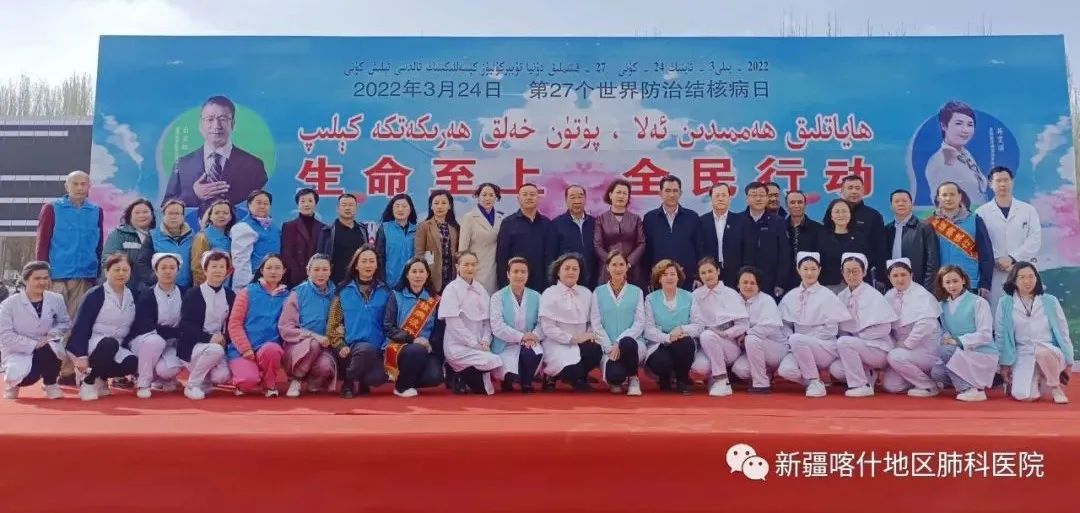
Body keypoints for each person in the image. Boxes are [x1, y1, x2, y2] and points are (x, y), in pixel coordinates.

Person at [163, 95, 268, 208]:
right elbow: (166, 206)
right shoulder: (182, 164)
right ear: (201, 124)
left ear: (233, 123)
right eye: (210, 119)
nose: (216, 125)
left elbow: (263, 206)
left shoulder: (253, 165)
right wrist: (194, 195)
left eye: (223, 119)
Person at [776, 252, 852, 398]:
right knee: (785, 370)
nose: (809, 273)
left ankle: (814, 381)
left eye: (813, 269)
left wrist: (803, 339)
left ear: (819, 270)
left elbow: (831, 328)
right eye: (805, 269)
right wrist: (790, 337)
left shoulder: (827, 295)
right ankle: (814, 382)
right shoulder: (791, 295)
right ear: (798, 270)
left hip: (824, 346)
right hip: (797, 345)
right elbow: (784, 325)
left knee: (797, 339)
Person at [995, 262, 1072, 404]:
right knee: (1025, 396)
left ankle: (1055, 386)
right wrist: (1004, 364)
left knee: (1042, 352)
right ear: (1014, 280)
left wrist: (1069, 361)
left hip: (1049, 350)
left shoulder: (1050, 301)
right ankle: (1038, 377)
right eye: (1022, 277)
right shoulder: (1005, 303)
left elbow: (1063, 331)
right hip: (1023, 352)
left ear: (1037, 278)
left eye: (1031, 276)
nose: (1027, 281)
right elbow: (1001, 335)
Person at [67, 253, 138, 401]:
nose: (121, 273)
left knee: (131, 362)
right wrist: (81, 356)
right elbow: (81, 325)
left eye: (125, 270)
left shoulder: (131, 295)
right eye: (116, 270)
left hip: (115, 345)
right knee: (109, 344)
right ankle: (88, 381)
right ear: (106, 272)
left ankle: (101, 378)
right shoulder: (96, 294)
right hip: (92, 344)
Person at [831, 253, 902, 397]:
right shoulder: (841, 296)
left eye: (855, 271)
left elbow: (884, 328)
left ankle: (860, 385)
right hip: (856, 347)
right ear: (842, 273)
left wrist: (858, 337)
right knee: (836, 369)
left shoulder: (873, 295)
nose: (851, 275)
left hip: (878, 348)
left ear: (864, 272)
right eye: (847, 271)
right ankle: (868, 375)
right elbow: (841, 327)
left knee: (845, 342)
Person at [326, 247, 393, 398]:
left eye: (371, 261)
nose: (368, 265)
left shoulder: (385, 291)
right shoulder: (343, 290)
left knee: (379, 377)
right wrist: (340, 345)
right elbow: (333, 324)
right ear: (356, 265)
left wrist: (387, 347)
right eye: (364, 261)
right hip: (351, 348)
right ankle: (348, 382)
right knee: (365, 349)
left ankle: (363, 379)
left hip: (379, 349)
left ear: (377, 265)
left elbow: (391, 323)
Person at [36, 170, 103, 318]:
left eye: (83, 184)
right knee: (52, 320)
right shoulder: (52, 208)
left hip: (85, 276)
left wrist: (98, 273)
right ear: (67, 186)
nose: (79, 188)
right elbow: (42, 244)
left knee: (77, 321)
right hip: (56, 276)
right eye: (75, 184)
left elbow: (99, 245)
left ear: (89, 186)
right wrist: (42, 274)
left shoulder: (96, 211)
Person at [974, 167, 1042, 309]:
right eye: (998, 181)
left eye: (1006, 180)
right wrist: (997, 259)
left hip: (1023, 269)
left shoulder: (1028, 210)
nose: (1002, 184)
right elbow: (981, 242)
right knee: (997, 311)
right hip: (995, 271)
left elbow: (1035, 239)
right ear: (990, 184)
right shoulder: (981, 213)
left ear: (1012, 182)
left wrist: (1012, 258)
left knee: (1027, 310)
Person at [0, 261, 69, 400]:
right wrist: (34, 344)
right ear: (26, 280)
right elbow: (5, 335)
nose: (42, 282)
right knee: (26, 376)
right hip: (18, 350)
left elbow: (64, 322)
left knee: (51, 349)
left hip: (46, 346)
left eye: (45, 278)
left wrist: (53, 333)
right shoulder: (8, 305)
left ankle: (50, 383)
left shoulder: (56, 299)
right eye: (37, 278)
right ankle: (13, 384)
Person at [930, 265, 997, 402]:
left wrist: (958, 341)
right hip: (959, 352)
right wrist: (946, 338)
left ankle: (969, 390)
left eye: (955, 281)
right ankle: (970, 384)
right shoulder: (942, 305)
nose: (952, 285)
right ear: (942, 284)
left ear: (963, 280)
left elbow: (985, 334)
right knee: (937, 373)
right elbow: (945, 331)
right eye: (947, 282)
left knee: (945, 351)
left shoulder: (978, 302)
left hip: (981, 352)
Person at [227, 254, 289, 397]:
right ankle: (248, 374)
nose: (273, 271)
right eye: (269, 268)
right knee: (247, 381)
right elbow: (234, 323)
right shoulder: (247, 292)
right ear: (261, 270)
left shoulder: (288, 296)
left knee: (272, 350)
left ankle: (269, 384)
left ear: (284, 271)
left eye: (278, 268)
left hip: (268, 349)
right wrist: (245, 349)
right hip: (243, 350)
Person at [439, 252, 501, 395]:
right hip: (458, 346)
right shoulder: (451, 289)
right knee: (493, 361)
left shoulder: (481, 289)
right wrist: (474, 343)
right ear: (457, 266)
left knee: (492, 377)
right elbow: (454, 324)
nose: (470, 268)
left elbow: (487, 322)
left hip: (481, 347)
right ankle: (456, 371)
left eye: (473, 264)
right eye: (466, 264)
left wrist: (485, 340)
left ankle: (463, 375)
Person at [126, 253, 186, 399]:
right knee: (155, 341)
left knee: (167, 370)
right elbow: (146, 326)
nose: (168, 271)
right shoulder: (146, 295)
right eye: (163, 268)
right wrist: (176, 332)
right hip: (145, 342)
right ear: (156, 270)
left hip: (171, 343)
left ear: (178, 271)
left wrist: (177, 335)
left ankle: (162, 378)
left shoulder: (185, 293)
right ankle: (143, 382)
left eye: (172, 268)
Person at [382, 257, 445, 398]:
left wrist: (430, 344)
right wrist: (412, 339)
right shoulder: (396, 296)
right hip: (399, 346)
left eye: (421, 271)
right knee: (416, 349)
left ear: (427, 274)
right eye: (414, 271)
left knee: (435, 376)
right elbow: (388, 327)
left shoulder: (434, 299)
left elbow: (438, 330)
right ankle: (402, 387)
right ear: (407, 274)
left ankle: (407, 379)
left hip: (425, 347)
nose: (418, 275)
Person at [882, 258, 945, 397]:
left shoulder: (922, 295)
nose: (900, 279)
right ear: (889, 277)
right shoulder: (889, 296)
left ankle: (928, 386)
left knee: (895, 356)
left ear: (911, 275)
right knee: (892, 386)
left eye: (903, 275)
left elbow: (926, 325)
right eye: (895, 275)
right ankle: (926, 378)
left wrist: (906, 344)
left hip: (926, 349)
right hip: (903, 350)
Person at [277, 254, 337, 398]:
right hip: (298, 346)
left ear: (330, 271)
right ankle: (296, 379)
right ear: (308, 271)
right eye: (316, 269)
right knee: (313, 344)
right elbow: (286, 327)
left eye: (325, 269)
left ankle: (313, 382)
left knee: (326, 367)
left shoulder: (336, 293)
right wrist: (312, 336)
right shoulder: (298, 293)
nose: (321, 274)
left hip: (325, 346)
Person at [178, 250, 235, 400]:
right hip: (194, 346)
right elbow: (185, 324)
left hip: (218, 346)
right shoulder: (193, 294)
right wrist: (209, 338)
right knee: (215, 350)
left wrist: (225, 338)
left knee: (222, 376)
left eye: (222, 267)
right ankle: (192, 385)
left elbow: (232, 323)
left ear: (227, 271)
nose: (218, 270)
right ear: (205, 270)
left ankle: (205, 381)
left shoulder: (230, 295)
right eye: (214, 266)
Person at [540, 253, 601, 392]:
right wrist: (572, 339)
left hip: (582, 342)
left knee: (596, 350)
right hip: (557, 343)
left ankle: (580, 376)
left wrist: (588, 335)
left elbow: (592, 321)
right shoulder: (549, 293)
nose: (571, 272)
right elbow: (548, 328)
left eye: (575, 269)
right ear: (558, 271)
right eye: (566, 268)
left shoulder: (587, 293)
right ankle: (551, 376)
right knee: (570, 369)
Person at [691, 257, 750, 397]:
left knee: (708, 336)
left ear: (717, 271)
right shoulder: (695, 295)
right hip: (705, 342)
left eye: (710, 271)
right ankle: (713, 378)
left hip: (729, 344)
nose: (707, 275)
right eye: (703, 273)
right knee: (699, 368)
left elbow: (743, 324)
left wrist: (726, 333)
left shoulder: (731, 293)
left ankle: (722, 381)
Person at [590, 250, 645, 396]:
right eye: (614, 265)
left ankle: (633, 378)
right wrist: (609, 346)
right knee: (615, 378)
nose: (618, 268)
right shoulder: (598, 292)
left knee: (627, 343)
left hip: (632, 344)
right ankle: (618, 377)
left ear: (627, 266)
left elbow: (639, 322)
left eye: (621, 264)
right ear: (607, 267)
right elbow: (596, 324)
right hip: (608, 346)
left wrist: (618, 342)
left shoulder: (637, 291)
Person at [642, 259, 700, 394]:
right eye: (665, 274)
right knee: (661, 362)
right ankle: (664, 378)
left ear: (678, 277)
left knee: (685, 343)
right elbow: (648, 329)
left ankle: (682, 380)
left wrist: (681, 329)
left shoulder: (690, 297)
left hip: (682, 341)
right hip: (659, 343)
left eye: (673, 274)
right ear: (659, 278)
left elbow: (698, 325)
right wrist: (668, 337)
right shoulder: (650, 299)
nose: (669, 277)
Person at [927, 182, 994, 298]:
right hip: (941, 284)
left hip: (969, 282)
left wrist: (985, 284)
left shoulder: (975, 220)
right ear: (938, 198)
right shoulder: (930, 223)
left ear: (960, 196)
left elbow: (986, 255)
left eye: (952, 194)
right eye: (944, 195)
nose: (948, 198)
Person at [489, 257, 545, 393]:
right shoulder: (497, 297)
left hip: (530, 342)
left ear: (528, 274)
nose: (519, 275)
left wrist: (534, 336)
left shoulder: (537, 296)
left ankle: (527, 382)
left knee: (532, 354)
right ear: (508, 274)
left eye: (523, 272)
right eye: (515, 271)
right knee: (511, 375)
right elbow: (497, 326)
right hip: (505, 345)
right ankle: (507, 380)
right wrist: (522, 337)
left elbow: (542, 323)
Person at [730, 266, 787, 393]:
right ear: (738, 284)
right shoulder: (733, 301)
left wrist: (746, 333)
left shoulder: (766, 300)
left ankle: (761, 384)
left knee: (751, 339)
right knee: (740, 370)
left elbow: (770, 326)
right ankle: (767, 372)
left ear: (758, 286)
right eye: (745, 282)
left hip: (775, 348)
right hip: (751, 349)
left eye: (752, 283)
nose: (748, 286)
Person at [642, 176, 701, 290]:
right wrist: (648, 279)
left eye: (675, 191)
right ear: (660, 193)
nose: (672, 195)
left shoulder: (692, 217)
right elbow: (646, 252)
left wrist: (698, 276)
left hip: (687, 280)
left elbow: (700, 248)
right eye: (667, 191)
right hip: (659, 279)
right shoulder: (650, 218)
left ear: (680, 193)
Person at [925, 100, 987, 206]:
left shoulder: (965, 155)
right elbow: (940, 203)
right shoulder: (941, 161)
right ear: (944, 126)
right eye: (958, 123)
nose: (965, 130)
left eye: (970, 125)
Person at [496, 183, 553, 292]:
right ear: (518, 199)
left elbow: (550, 255)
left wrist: (550, 283)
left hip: (542, 282)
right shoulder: (508, 223)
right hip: (516, 281)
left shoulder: (547, 223)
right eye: (525, 194)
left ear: (538, 198)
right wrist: (504, 285)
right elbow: (502, 257)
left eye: (532, 194)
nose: (529, 197)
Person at [740, 182, 791, 299]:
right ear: (747, 199)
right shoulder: (738, 220)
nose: (758, 198)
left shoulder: (778, 222)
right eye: (754, 195)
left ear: (767, 198)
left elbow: (784, 255)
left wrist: (780, 283)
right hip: (744, 283)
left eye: (762, 195)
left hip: (770, 283)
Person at [594, 178, 646, 287]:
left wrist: (628, 263)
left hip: (632, 269)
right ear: (610, 195)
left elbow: (641, 243)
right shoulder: (601, 219)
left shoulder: (636, 219)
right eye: (618, 192)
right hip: (607, 269)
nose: (621, 196)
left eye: (625, 193)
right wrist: (612, 263)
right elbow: (597, 245)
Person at [699, 184, 751, 288]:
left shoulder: (741, 221)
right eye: (717, 195)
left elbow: (748, 250)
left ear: (729, 198)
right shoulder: (701, 221)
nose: (720, 198)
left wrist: (745, 273)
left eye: (724, 195)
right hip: (710, 272)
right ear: (711, 199)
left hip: (736, 273)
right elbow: (698, 249)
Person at [886, 189, 939, 289]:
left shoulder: (924, 227)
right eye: (897, 201)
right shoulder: (887, 230)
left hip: (918, 286)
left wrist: (927, 288)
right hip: (893, 286)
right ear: (891, 206)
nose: (901, 204)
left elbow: (932, 262)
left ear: (911, 204)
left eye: (904, 201)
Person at [839, 176, 888, 286]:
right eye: (850, 188)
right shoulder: (835, 213)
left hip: (864, 277)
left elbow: (880, 250)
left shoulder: (873, 216)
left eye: (857, 188)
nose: (854, 191)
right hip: (837, 279)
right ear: (842, 191)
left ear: (863, 191)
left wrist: (880, 278)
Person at [137, 199, 195, 290]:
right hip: (161, 289)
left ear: (183, 216)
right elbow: (142, 263)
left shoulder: (193, 237)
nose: (173, 217)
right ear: (163, 215)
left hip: (186, 289)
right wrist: (155, 279)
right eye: (170, 213)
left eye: (177, 213)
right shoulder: (153, 236)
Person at [101, 198, 155, 293]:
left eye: (145, 212)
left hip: (150, 290)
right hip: (124, 289)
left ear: (152, 215)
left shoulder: (157, 236)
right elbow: (108, 260)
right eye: (137, 213)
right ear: (129, 216)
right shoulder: (118, 234)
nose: (141, 215)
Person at [458, 183, 503, 294]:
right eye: (484, 195)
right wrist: (463, 269)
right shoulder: (469, 217)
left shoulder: (500, 218)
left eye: (491, 195)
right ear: (478, 197)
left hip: (494, 268)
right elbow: (462, 248)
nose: (487, 198)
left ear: (496, 197)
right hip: (475, 267)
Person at [231, 190, 282, 290]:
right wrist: (245, 286)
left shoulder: (274, 227)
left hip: (273, 280)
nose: (262, 206)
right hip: (253, 281)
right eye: (259, 203)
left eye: (266, 204)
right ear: (249, 205)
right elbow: (241, 260)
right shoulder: (243, 227)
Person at [817, 199, 872, 291]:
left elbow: (867, 261)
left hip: (856, 286)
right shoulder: (822, 237)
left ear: (850, 214)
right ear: (831, 216)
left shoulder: (860, 237)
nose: (841, 215)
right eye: (837, 212)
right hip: (830, 286)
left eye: (844, 211)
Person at [550, 185, 598, 288]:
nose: (577, 201)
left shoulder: (595, 223)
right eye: (572, 197)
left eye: (580, 196)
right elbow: (552, 255)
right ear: (566, 200)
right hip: (568, 279)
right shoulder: (556, 224)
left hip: (593, 278)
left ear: (585, 199)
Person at [317, 193, 368, 286]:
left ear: (356, 208)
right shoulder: (327, 231)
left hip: (358, 282)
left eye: (351, 205)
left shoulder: (363, 230)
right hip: (335, 283)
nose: (347, 208)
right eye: (344, 205)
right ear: (337, 209)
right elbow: (320, 259)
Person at [414, 189, 459, 293]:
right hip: (431, 276)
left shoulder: (455, 228)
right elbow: (419, 254)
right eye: (436, 203)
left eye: (443, 203)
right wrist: (423, 274)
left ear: (449, 206)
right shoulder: (423, 226)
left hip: (451, 276)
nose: (440, 206)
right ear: (431, 206)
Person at [280, 188, 324, 288]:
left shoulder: (323, 228)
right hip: (294, 277)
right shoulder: (288, 226)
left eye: (310, 201)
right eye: (302, 201)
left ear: (315, 203)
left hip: (317, 276)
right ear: (298, 204)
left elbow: (323, 253)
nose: (306, 204)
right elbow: (286, 253)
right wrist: (299, 273)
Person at [375, 193, 418, 292]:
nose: (400, 209)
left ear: (410, 209)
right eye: (397, 206)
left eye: (404, 206)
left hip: (412, 282)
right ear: (392, 209)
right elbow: (379, 257)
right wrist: (382, 281)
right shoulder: (384, 228)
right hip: (389, 283)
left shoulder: (417, 230)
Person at [191, 199, 235, 286]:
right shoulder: (203, 237)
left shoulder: (232, 236)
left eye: (225, 213)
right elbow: (197, 267)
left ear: (230, 217)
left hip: (227, 286)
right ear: (210, 216)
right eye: (217, 213)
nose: (221, 216)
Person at [784, 190, 821, 289]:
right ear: (786, 206)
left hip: (810, 280)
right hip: (785, 282)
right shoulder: (780, 228)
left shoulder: (818, 229)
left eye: (800, 202)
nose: (796, 205)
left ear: (805, 205)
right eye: (792, 202)